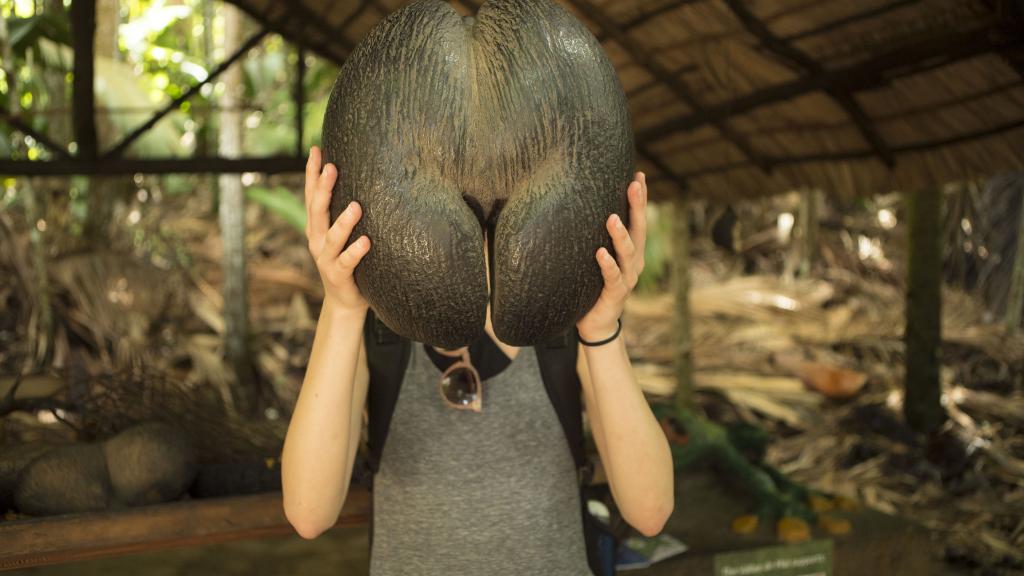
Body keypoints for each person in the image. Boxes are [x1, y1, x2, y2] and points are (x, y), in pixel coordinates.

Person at [282, 146, 675, 575]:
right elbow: (308, 513)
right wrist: (341, 308)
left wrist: (600, 332)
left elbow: (650, 510)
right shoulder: (375, 324)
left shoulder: (566, 321)